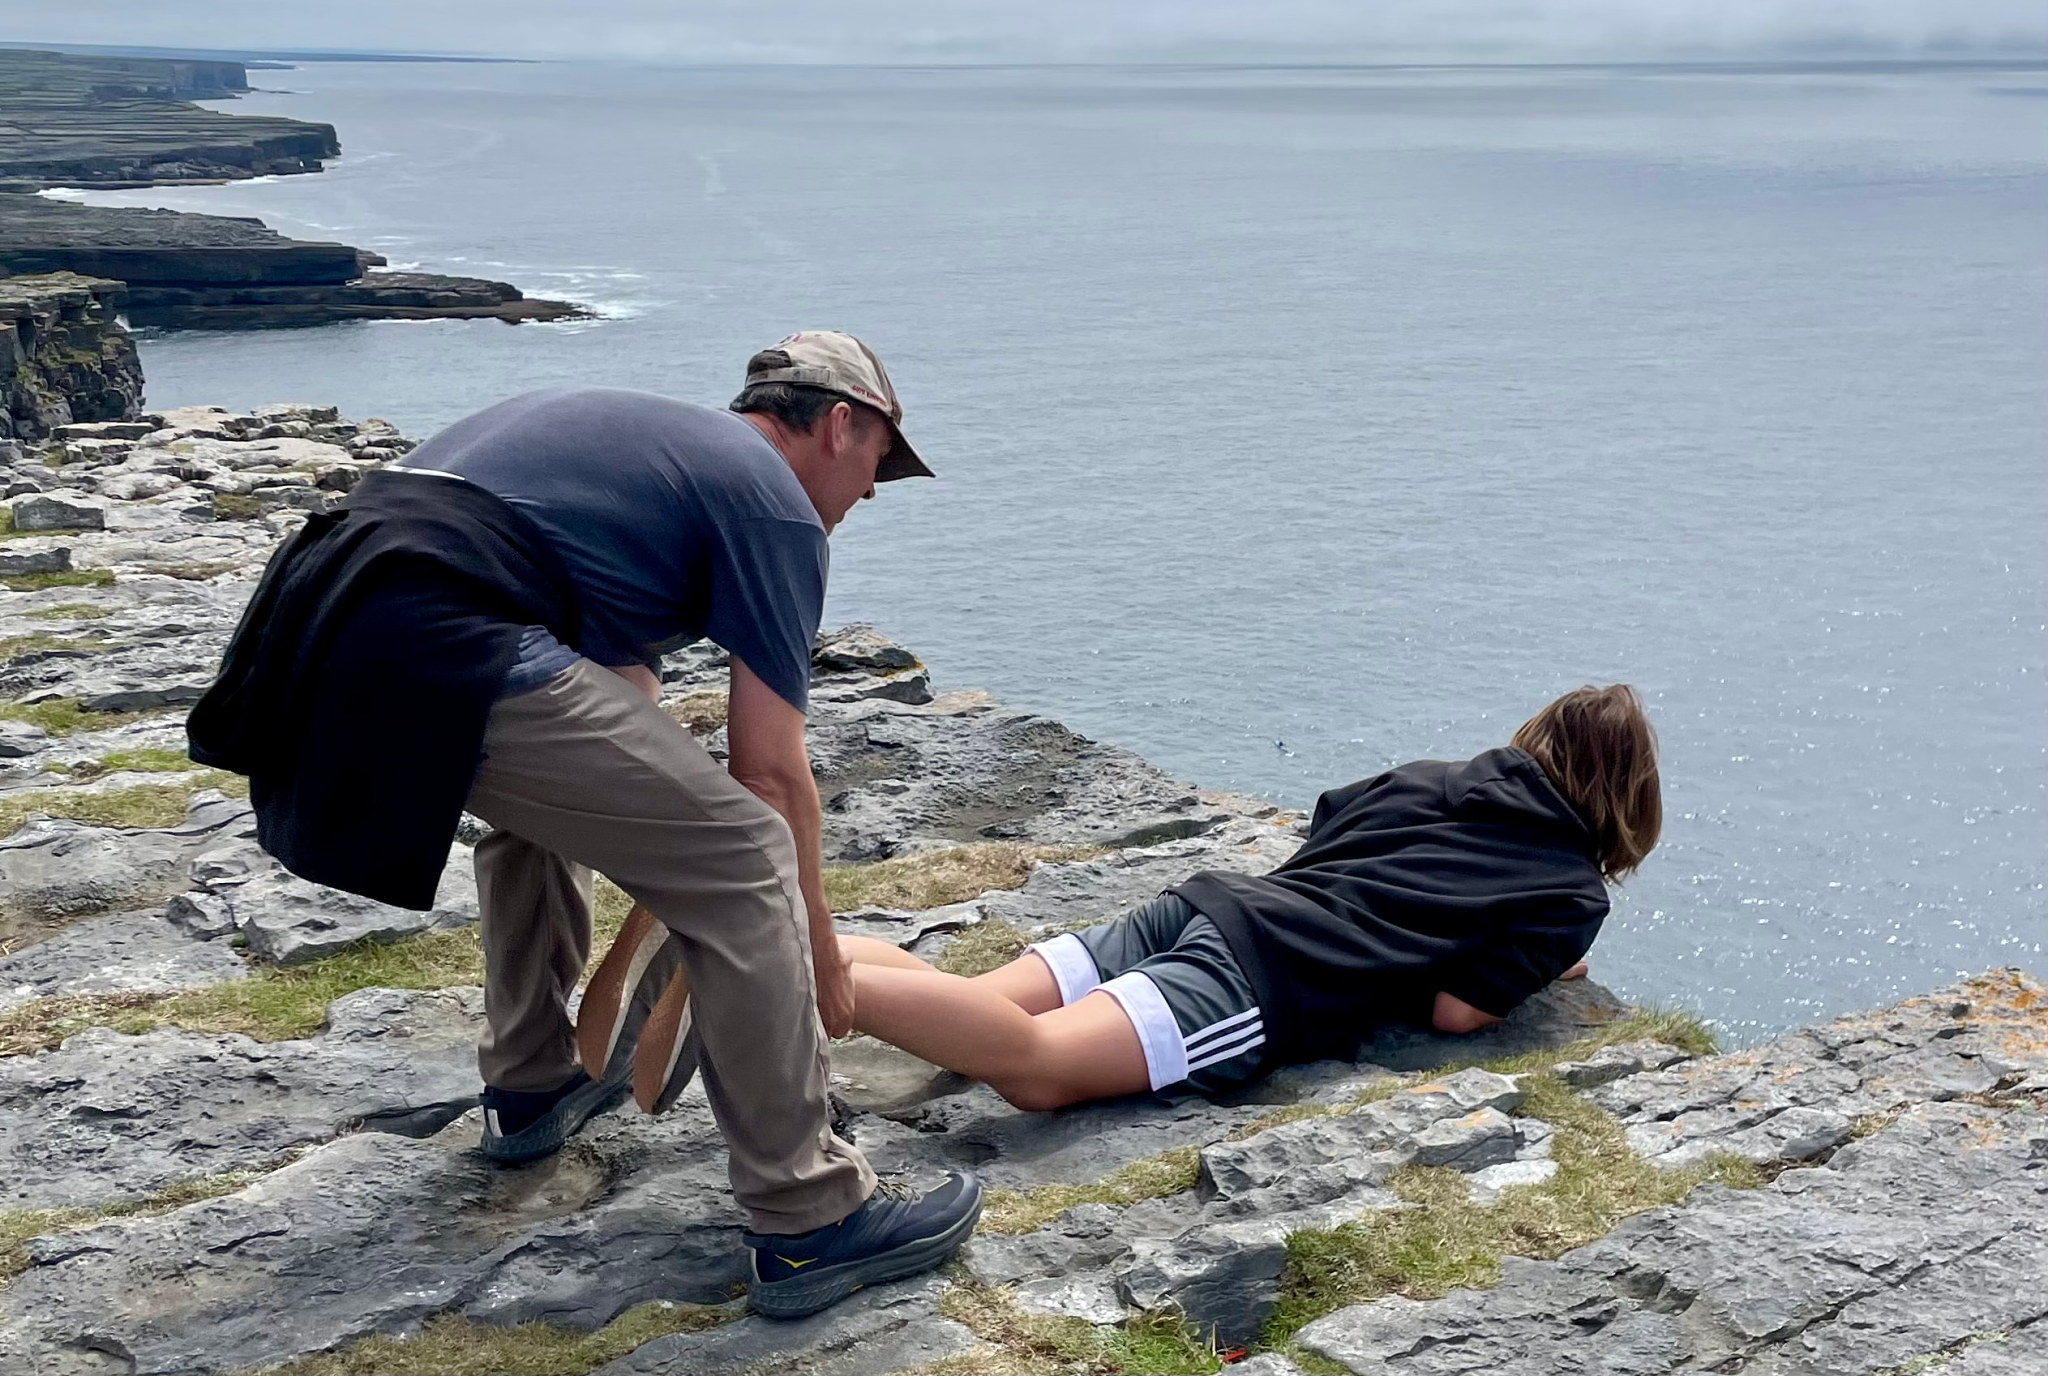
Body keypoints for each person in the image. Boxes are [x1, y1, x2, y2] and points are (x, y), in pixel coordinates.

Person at [188, 332, 983, 1320]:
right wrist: (816, 951)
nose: (868, 494)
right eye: (877, 467)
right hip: (430, 612)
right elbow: (770, 772)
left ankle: (533, 1085)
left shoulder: (649, 463)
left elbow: (609, 723)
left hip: (328, 597)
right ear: (838, 424)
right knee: (744, 855)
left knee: (543, 812)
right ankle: (810, 1216)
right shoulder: (772, 505)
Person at [836, 685, 1659, 1110]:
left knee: (964, 1011)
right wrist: (1540, 967)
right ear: (1626, 798)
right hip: (1256, 979)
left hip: (1204, 906)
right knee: (1035, 1070)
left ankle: (788, 949)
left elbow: (1329, 830)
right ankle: (792, 973)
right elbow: (1457, 1014)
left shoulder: (1428, 777)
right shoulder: (1567, 891)